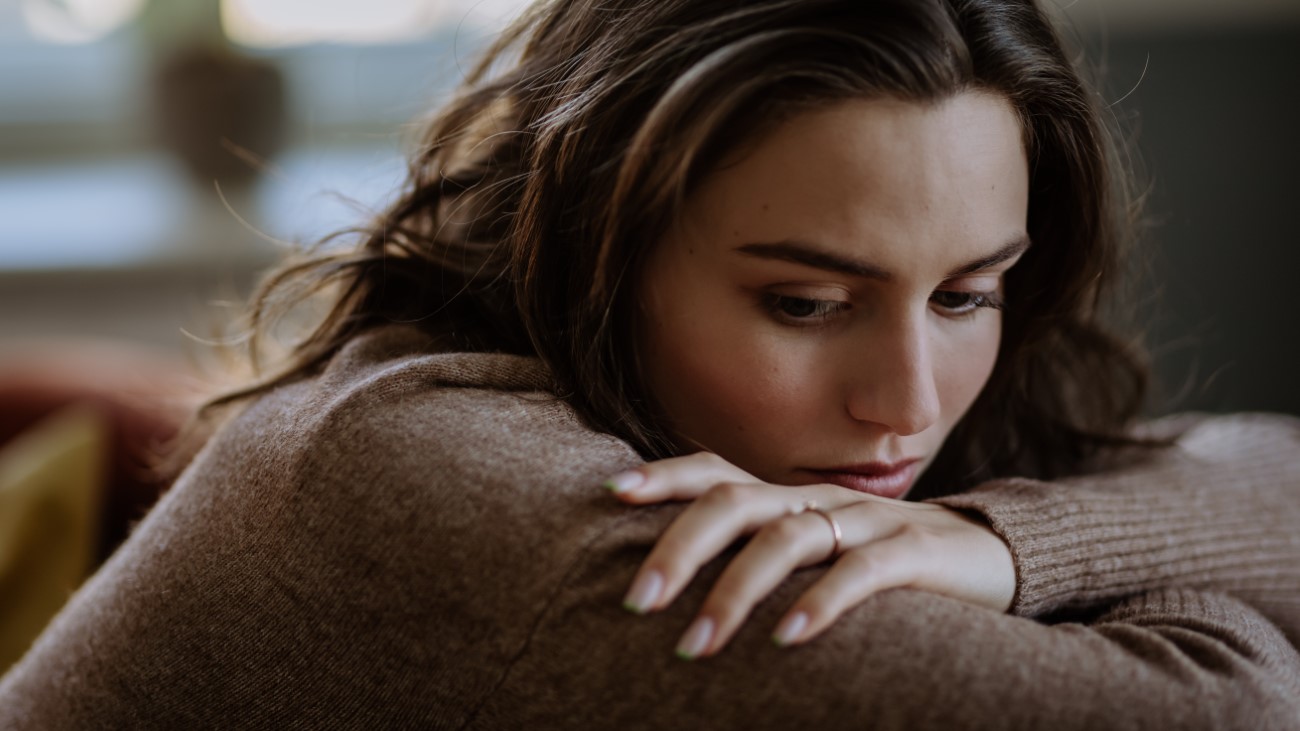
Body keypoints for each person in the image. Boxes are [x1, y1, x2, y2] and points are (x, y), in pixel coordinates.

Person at [3, 0, 1299, 728]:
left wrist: (1004, 546)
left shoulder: (790, 452)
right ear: (593, 251)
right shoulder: (430, 482)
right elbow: (1225, 712)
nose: (908, 403)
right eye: (802, 302)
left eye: (968, 293)